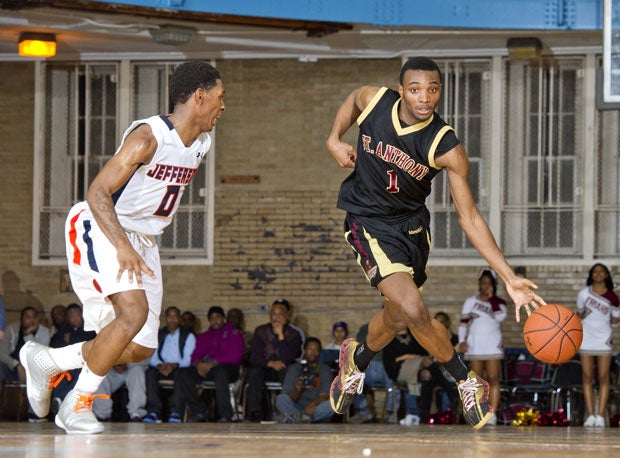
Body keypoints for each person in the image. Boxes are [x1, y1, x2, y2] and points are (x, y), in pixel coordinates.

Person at [325, 56, 545, 429]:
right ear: (401, 91)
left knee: (397, 316)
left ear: (440, 91)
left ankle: (355, 359)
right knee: (412, 307)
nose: (424, 97)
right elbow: (352, 100)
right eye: (414, 89)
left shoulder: (445, 145)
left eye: (432, 89)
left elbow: (469, 217)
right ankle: (465, 378)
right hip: (367, 222)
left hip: (411, 230)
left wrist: (507, 276)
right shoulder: (375, 101)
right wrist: (334, 138)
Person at [19, 60, 226, 434]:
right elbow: (97, 191)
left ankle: (47, 360)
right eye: (219, 96)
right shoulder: (148, 137)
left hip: (143, 240)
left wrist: (134, 244)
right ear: (200, 96)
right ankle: (76, 405)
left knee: (140, 349)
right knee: (130, 316)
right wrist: (121, 244)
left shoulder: (202, 142)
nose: (223, 106)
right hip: (103, 224)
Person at [170, 306, 244, 423]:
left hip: (228, 368)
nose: (215, 320)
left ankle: (225, 415)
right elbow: (195, 355)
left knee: (220, 372)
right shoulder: (203, 336)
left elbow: (236, 355)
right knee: (182, 372)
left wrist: (212, 363)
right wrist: (198, 364)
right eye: (212, 318)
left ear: (223, 319)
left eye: (218, 317)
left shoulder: (234, 333)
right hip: (207, 369)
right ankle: (199, 410)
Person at [457, 269, 507, 425]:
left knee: (493, 378)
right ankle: (478, 413)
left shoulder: (499, 303)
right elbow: (463, 324)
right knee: (476, 381)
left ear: (493, 285)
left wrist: (492, 299)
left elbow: (500, 317)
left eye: (488, 283)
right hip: (475, 343)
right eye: (483, 282)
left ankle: (492, 414)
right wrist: (461, 341)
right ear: (479, 283)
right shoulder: (470, 301)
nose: (485, 286)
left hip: (492, 343)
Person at [576, 263, 620, 427]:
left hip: (603, 339)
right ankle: (590, 415)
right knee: (587, 377)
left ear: (607, 275)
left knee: (603, 377)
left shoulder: (612, 297)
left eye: (602, 271)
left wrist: (616, 314)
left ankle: (600, 415)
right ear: (591, 275)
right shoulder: (583, 294)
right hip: (586, 337)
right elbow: (580, 314)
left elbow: (615, 322)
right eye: (595, 271)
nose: (598, 274)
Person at [245, 300, 302, 422]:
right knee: (253, 371)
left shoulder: (294, 334)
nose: (276, 317)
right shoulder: (260, 331)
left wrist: (281, 335)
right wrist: (270, 363)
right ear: (270, 315)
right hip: (265, 368)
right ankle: (255, 412)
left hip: (283, 368)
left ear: (287, 316)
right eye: (274, 313)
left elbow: (289, 356)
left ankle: (286, 411)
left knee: (290, 371)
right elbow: (254, 356)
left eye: (280, 313)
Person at [143, 306, 196, 423]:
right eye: (169, 316)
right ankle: (154, 412)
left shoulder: (188, 336)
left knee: (182, 374)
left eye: (175, 316)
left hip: (179, 368)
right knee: (150, 373)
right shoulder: (159, 334)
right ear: (165, 318)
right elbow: (153, 356)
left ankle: (176, 412)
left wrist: (173, 366)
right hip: (162, 368)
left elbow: (188, 360)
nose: (172, 320)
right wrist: (160, 366)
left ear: (180, 319)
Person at [49, 304, 97, 412]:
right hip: (67, 364)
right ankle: (58, 400)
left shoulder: (91, 328)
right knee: (60, 374)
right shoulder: (63, 330)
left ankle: (67, 401)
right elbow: (55, 345)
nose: (74, 318)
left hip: (86, 364)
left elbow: (91, 342)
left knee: (80, 375)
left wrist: (72, 338)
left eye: (77, 315)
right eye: (71, 315)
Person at [275, 337, 334, 423]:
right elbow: (288, 396)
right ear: (304, 350)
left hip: (315, 407)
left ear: (319, 352)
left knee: (332, 404)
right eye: (310, 349)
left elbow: (325, 395)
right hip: (296, 407)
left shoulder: (324, 369)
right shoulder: (295, 368)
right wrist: (298, 390)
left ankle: (295, 418)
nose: (312, 353)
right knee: (281, 399)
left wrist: (312, 405)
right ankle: (300, 418)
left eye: (316, 350)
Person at [418, 311, 459, 422]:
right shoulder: (429, 338)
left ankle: (425, 415)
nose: (438, 324)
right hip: (435, 370)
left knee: (429, 377)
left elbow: (455, 357)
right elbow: (426, 357)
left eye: (441, 322)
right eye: (436, 322)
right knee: (428, 376)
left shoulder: (455, 339)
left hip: (449, 370)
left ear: (447, 323)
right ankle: (451, 395)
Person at [382, 329, 428, 425]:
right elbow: (390, 361)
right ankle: (414, 413)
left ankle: (414, 414)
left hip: (417, 369)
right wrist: (408, 356)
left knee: (421, 372)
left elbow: (424, 354)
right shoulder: (390, 339)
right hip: (398, 370)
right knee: (420, 372)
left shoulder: (415, 336)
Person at [0, 306, 51, 394]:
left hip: (33, 367)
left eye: (34, 317)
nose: (31, 320)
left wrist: (28, 334)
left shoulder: (44, 332)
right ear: (21, 319)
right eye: (27, 317)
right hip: (12, 365)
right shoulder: (11, 329)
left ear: (38, 319)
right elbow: (1, 352)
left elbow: (38, 354)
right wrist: (16, 365)